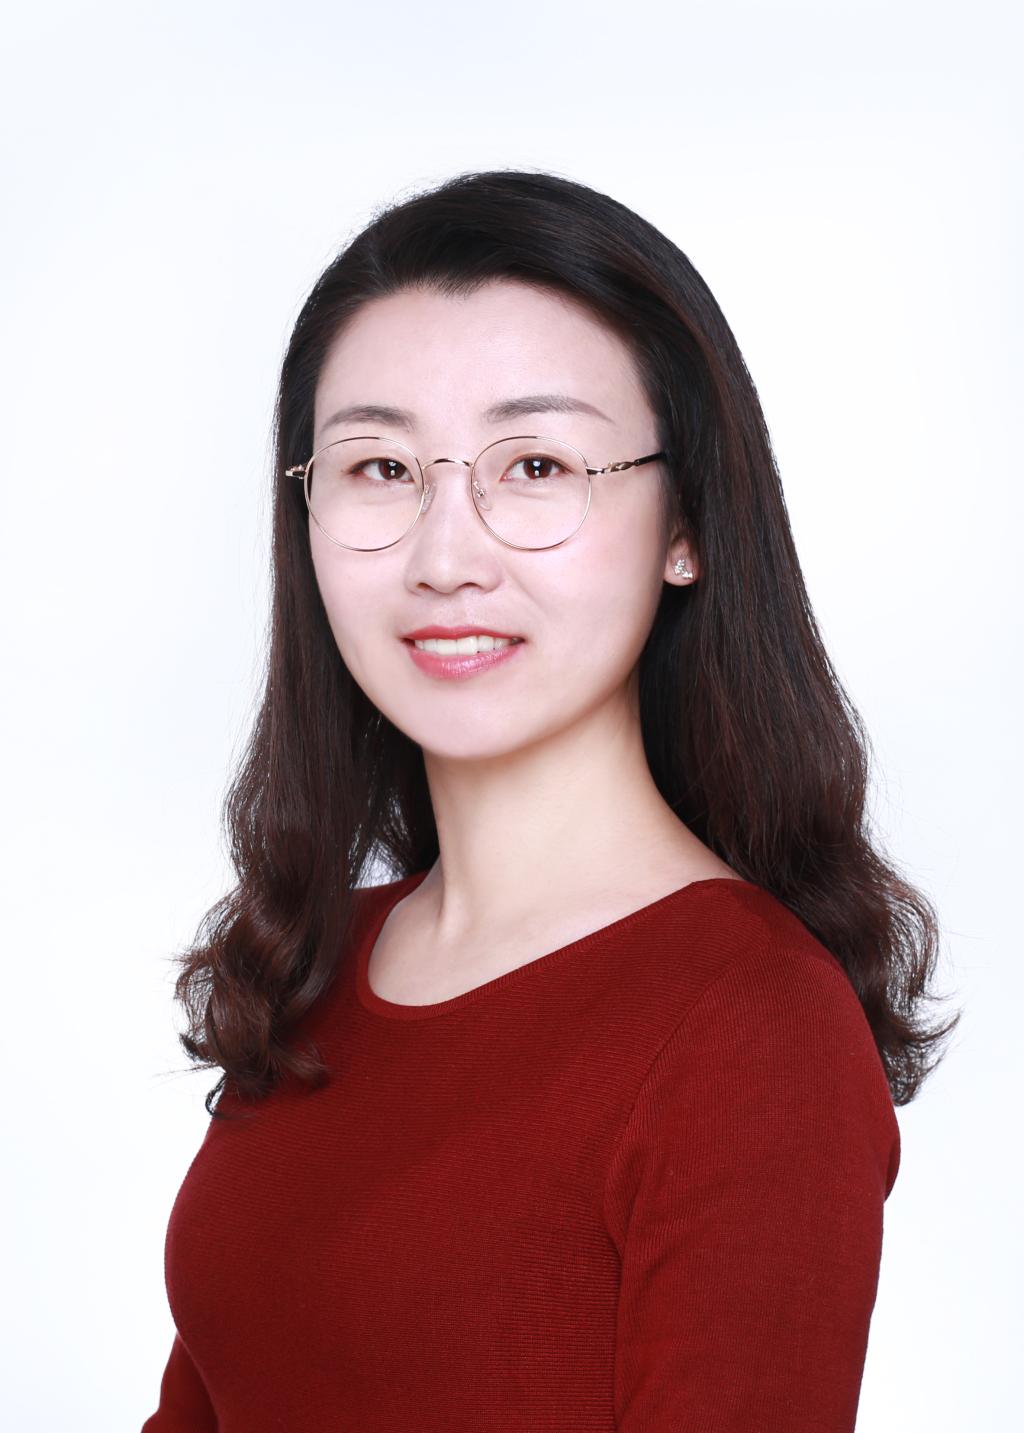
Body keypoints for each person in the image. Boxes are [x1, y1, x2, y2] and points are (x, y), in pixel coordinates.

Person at [141, 169, 959, 1432]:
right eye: (380, 466)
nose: (445, 556)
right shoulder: (313, 961)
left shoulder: (748, 1022)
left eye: (534, 463)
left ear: (687, 521)